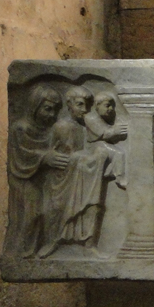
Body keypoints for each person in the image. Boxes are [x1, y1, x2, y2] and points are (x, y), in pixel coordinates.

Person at [39, 86, 120, 257]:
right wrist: (48, 157)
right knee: (55, 208)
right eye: (80, 105)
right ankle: (52, 243)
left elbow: (95, 147)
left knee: (92, 207)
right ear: (69, 105)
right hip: (61, 179)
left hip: (85, 174)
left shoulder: (85, 127)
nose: (84, 110)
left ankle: (88, 244)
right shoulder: (60, 126)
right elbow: (46, 152)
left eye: (87, 107)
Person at [5, 84, 66, 256]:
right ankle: (21, 253)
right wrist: (44, 158)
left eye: (55, 110)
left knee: (47, 213)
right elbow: (20, 157)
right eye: (47, 109)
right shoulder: (21, 128)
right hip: (24, 179)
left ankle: (32, 252)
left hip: (44, 180)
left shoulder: (51, 129)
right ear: (35, 106)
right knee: (32, 215)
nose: (51, 115)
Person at [85, 92, 128, 188]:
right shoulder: (90, 118)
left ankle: (111, 172)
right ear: (97, 105)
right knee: (119, 153)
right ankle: (119, 178)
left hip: (103, 145)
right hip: (94, 146)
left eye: (112, 106)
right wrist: (114, 131)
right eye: (107, 106)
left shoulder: (107, 119)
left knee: (118, 153)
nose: (110, 109)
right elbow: (103, 133)